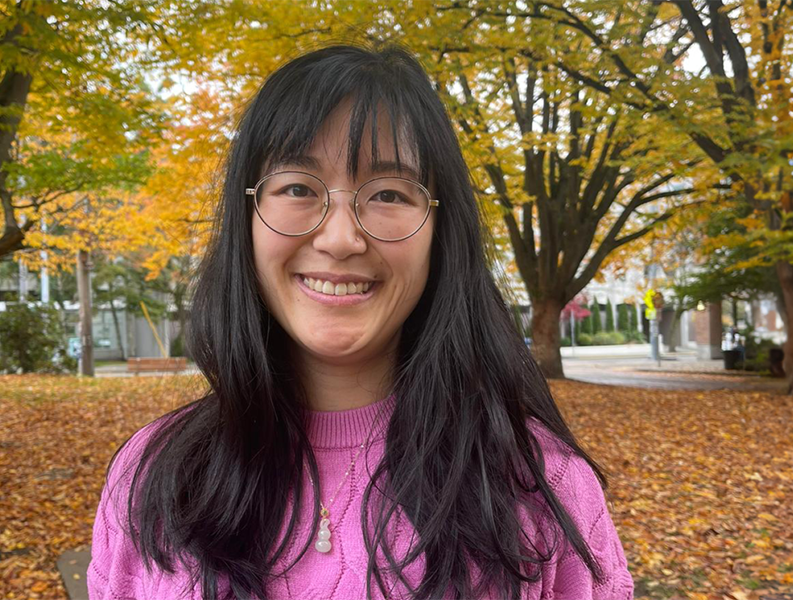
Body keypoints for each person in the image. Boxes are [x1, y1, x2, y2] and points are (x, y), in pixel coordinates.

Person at [87, 44, 635, 599]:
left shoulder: (545, 489)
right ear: (246, 218)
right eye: (298, 188)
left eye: (390, 194)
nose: (341, 239)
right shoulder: (152, 478)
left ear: (440, 234)